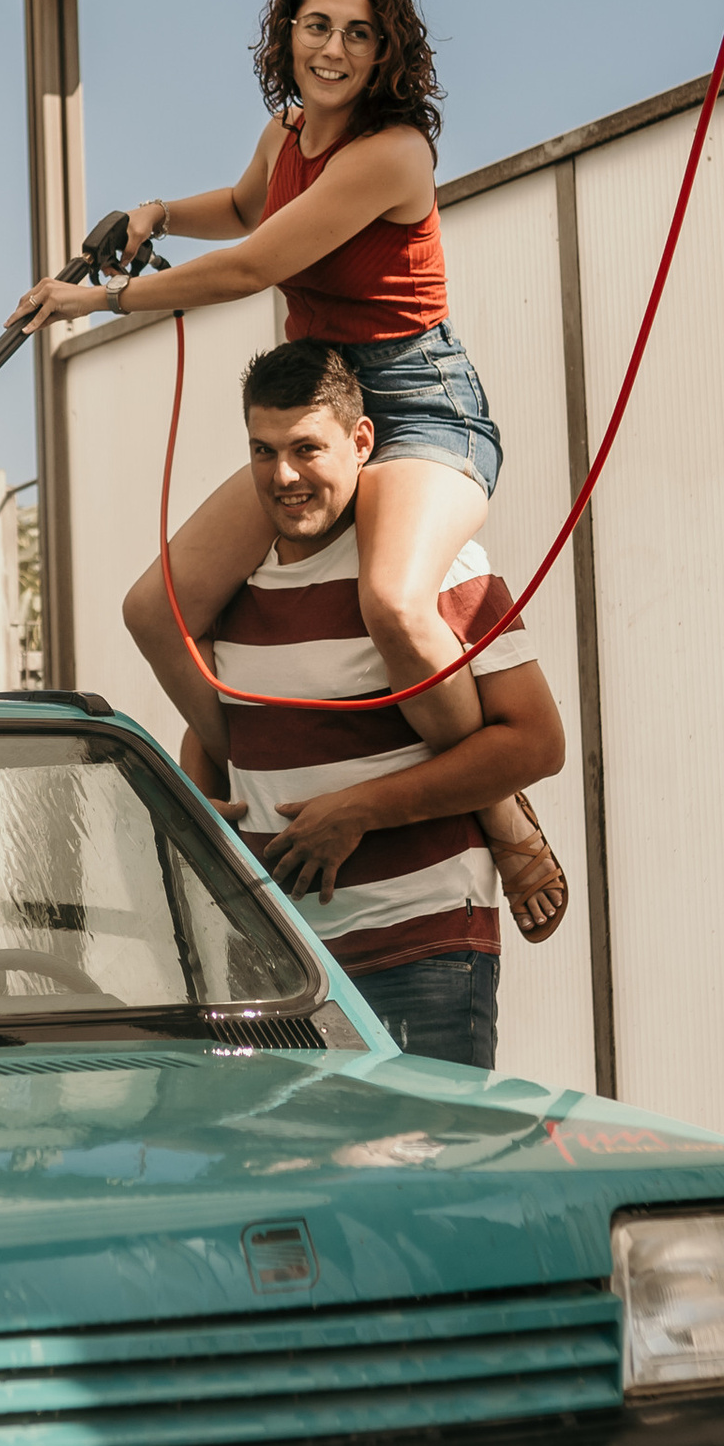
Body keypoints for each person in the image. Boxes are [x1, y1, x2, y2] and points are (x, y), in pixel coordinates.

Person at [8, 0, 560, 931]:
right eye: (317, 27)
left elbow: (253, 263)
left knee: (394, 605)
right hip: (322, 405)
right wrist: (155, 212)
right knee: (154, 609)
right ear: (288, 35)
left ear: (386, 50)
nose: (333, 50)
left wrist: (97, 301)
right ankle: (241, 776)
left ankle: (498, 806)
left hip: (419, 404)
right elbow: (242, 209)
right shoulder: (287, 133)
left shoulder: (393, 154)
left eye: (358, 33)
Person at [182, 339, 564, 1067]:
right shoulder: (231, 579)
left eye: (306, 449)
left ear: (361, 442)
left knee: (430, 1147)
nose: (283, 476)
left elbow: (536, 742)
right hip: (274, 964)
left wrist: (358, 810)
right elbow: (223, 729)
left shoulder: (431, 562)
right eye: (263, 452)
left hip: (418, 950)